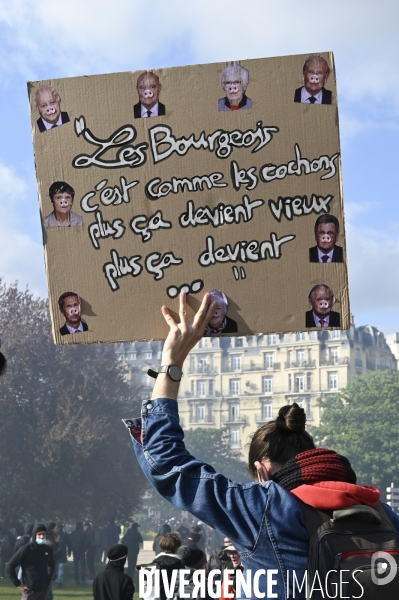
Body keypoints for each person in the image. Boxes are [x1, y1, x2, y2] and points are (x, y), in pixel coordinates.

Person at [127, 291, 399, 599]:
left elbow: (166, 463)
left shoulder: (265, 509)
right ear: (310, 454)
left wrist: (171, 365)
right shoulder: (384, 514)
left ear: (261, 472)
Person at [7, 523, 55, 600]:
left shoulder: (48, 549)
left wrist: (48, 579)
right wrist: (18, 583)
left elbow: (51, 564)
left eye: (43, 534)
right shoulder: (26, 549)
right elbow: (10, 565)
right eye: (39, 534)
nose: (42, 536)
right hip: (29, 591)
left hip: (44, 591)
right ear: (34, 534)